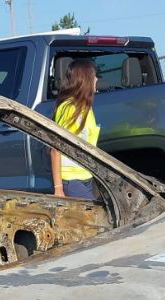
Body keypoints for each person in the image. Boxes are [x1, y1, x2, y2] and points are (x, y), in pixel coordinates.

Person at [50, 59, 101, 200]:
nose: (96, 79)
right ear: (85, 80)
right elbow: (55, 148)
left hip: (86, 177)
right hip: (71, 180)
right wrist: (58, 188)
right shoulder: (69, 109)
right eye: (94, 76)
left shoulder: (86, 108)